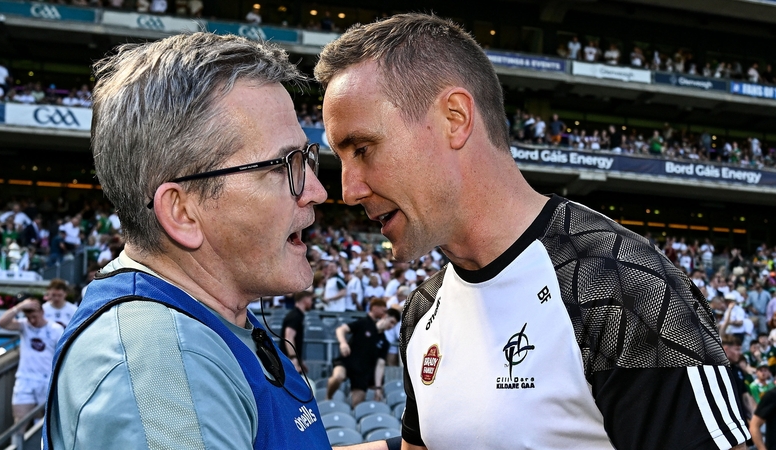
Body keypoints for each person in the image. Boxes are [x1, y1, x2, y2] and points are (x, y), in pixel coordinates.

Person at [316, 13, 749, 449]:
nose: (349, 189)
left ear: (455, 118)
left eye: (363, 149)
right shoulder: (423, 308)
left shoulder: (626, 289)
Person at [44, 32, 330, 449]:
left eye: (306, 159)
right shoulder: (162, 362)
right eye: (283, 165)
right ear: (182, 212)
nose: (316, 190)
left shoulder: (202, 321)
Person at [0, 294, 64, 423]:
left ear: (42, 311)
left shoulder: (56, 329)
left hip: (46, 379)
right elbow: (2, 323)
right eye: (28, 317)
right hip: (25, 379)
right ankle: (18, 443)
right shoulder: (24, 326)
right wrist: (19, 307)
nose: (32, 321)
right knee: (20, 420)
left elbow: (62, 355)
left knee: (45, 422)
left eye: (34, 316)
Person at [325, 299, 400, 407]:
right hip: (347, 361)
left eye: (394, 325)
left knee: (357, 404)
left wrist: (378, 387)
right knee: (338, 377)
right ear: (384, 317)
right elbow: (341, 330)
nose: (391, 326)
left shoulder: (384, 342)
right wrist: (343, 343)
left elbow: (380, 365)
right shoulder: (364, 323)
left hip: (362, 372)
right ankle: (328, 398)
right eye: (391, 322)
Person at [279, 290, 313, 372]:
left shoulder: (297, 315)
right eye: (311, 300)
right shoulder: (295, 316)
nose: (312, 303)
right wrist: (293, 359)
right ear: (306, 300)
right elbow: (288, 338)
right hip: (288, 361)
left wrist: (300, 361)